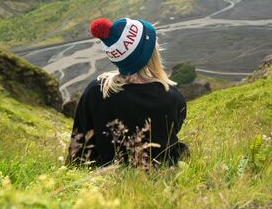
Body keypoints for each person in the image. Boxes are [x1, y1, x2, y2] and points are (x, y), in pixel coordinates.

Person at [67, 17, 188, 167]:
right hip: (161, 175)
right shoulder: (172, 97)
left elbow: (78, 147)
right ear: (150, 54)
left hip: (106, 178)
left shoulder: (96, 92)